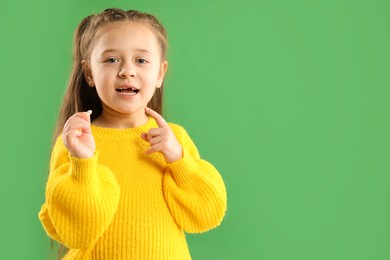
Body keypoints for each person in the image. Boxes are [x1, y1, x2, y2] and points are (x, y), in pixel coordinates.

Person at [38, 8, 227, 259]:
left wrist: (180, 162)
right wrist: (82, 164)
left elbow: (207, 214)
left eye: (141, 60)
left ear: (160, 73)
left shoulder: (174, 140)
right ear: (89, 73)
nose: (127, 70)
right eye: (111, 60)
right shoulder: (75, 144)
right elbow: (76, 234)